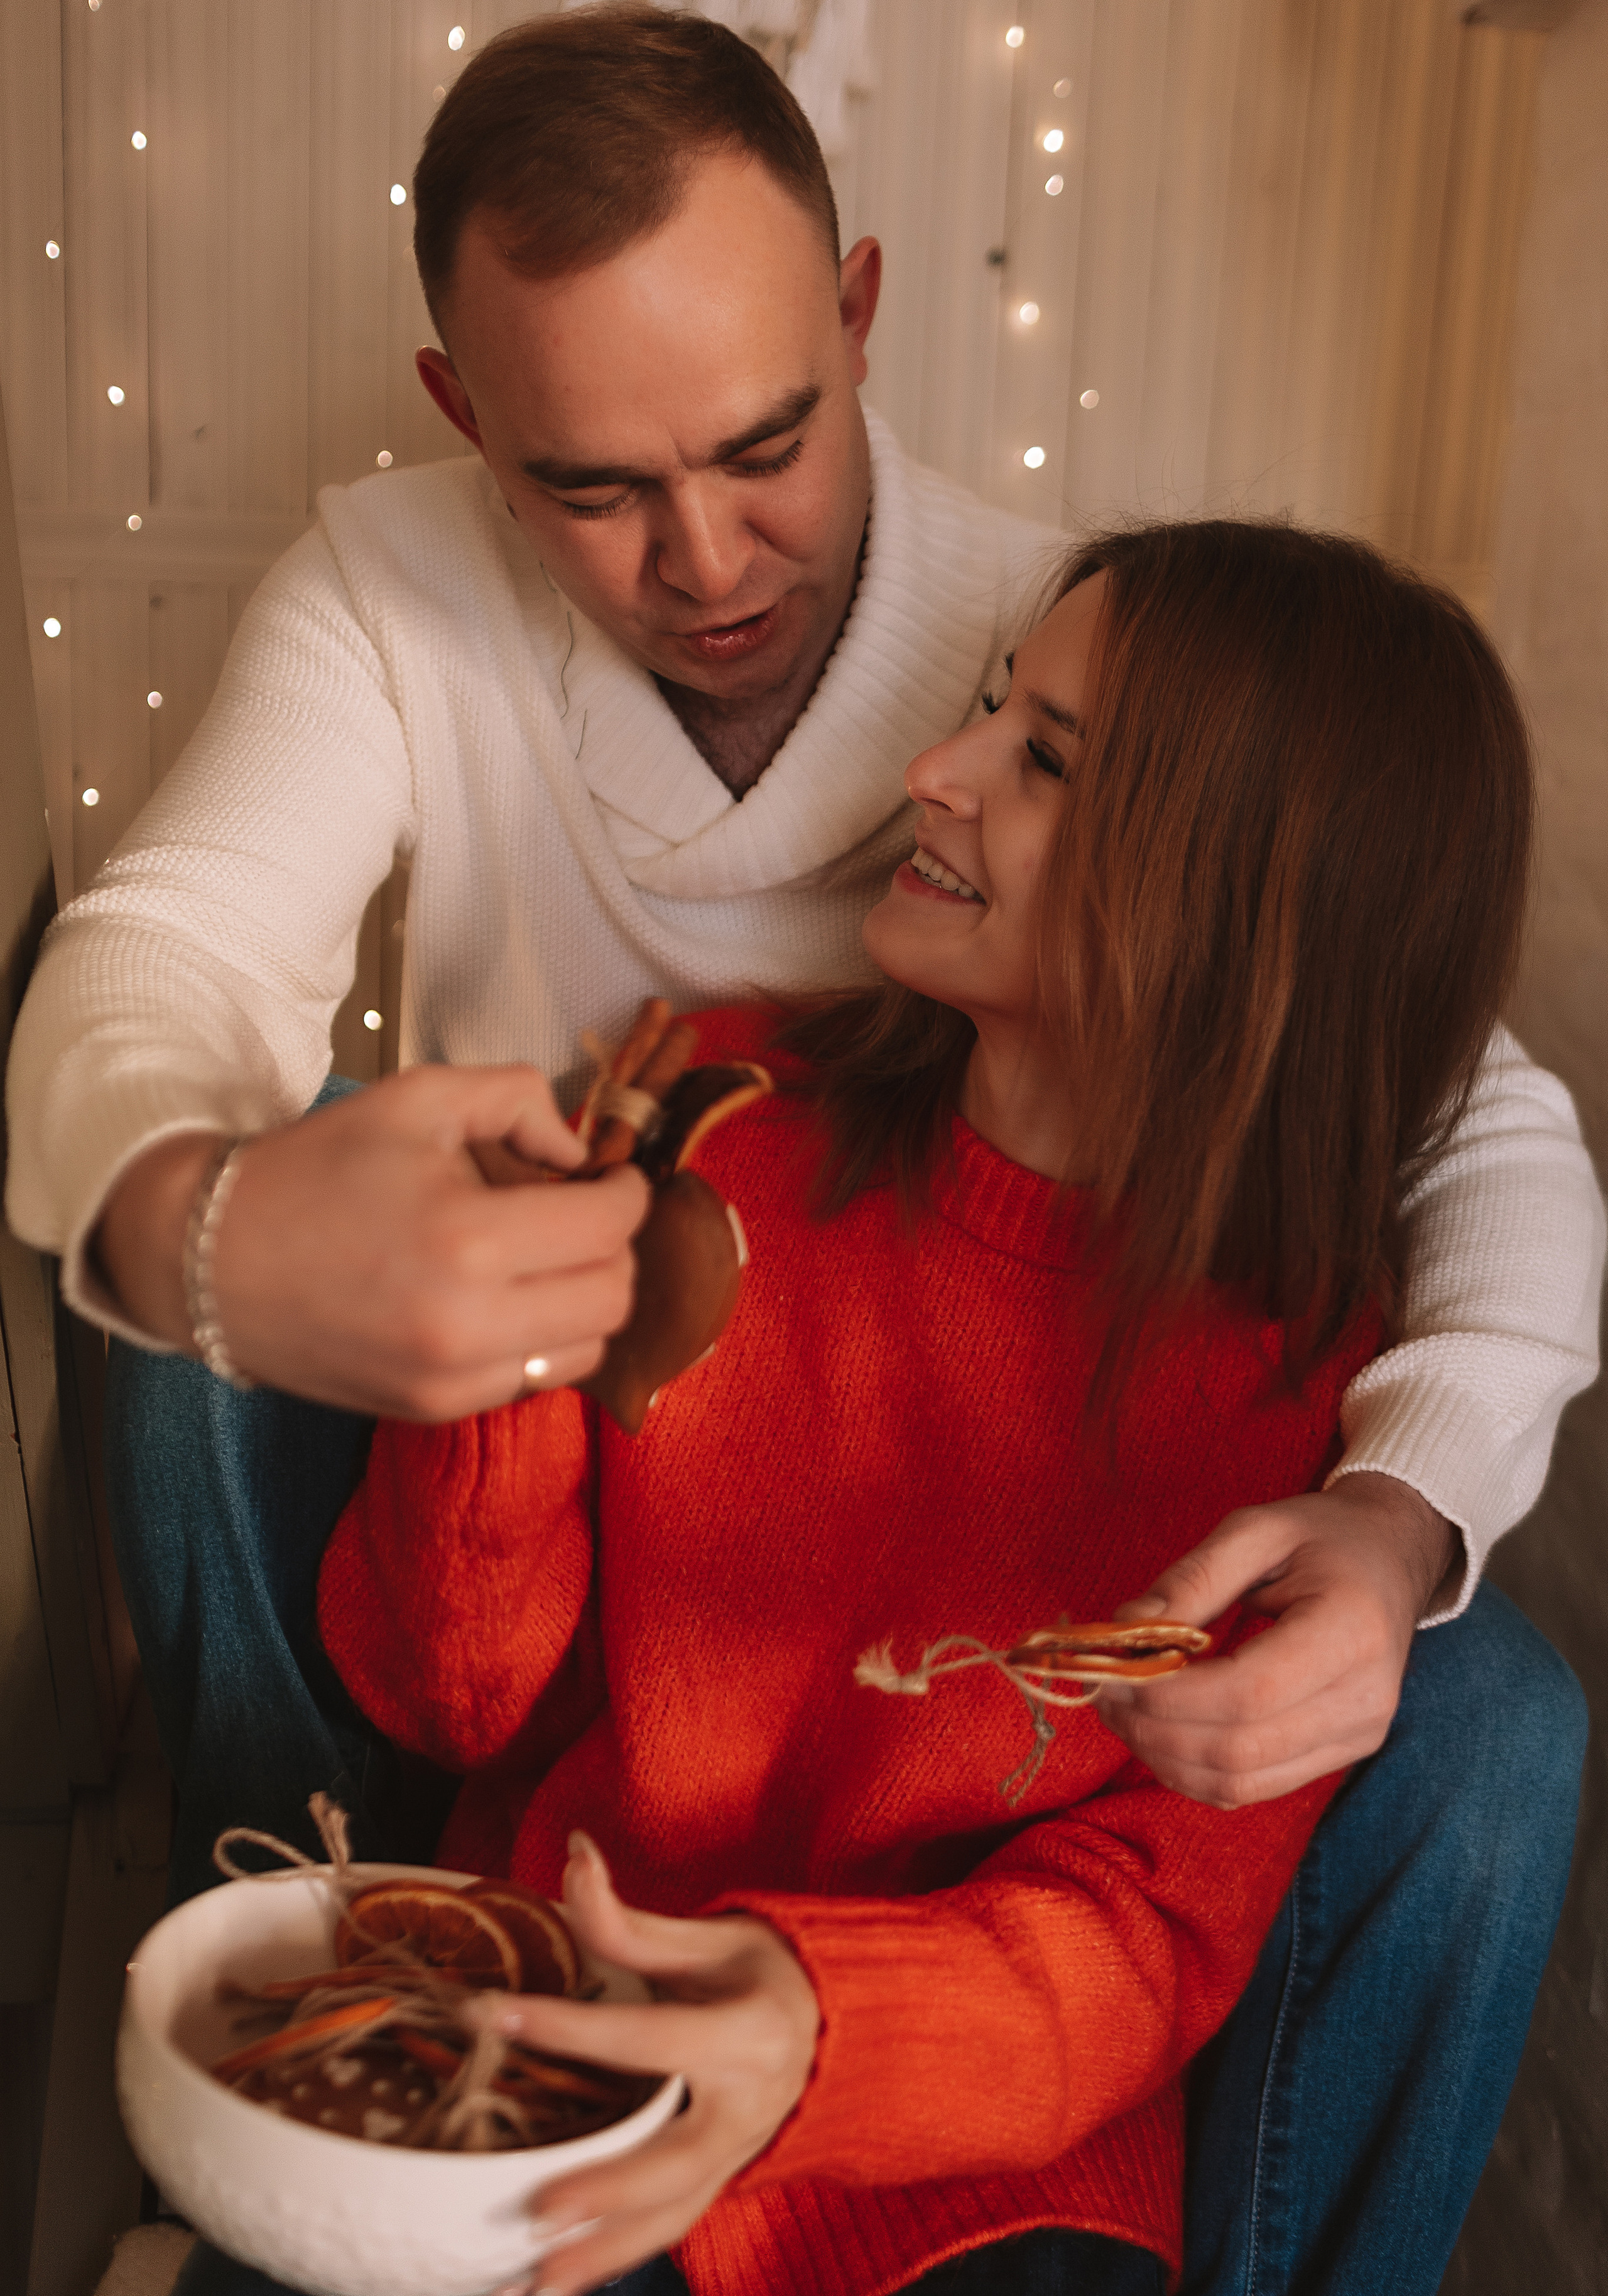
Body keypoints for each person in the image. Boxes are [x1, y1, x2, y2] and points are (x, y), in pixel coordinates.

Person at [3, 9, 1598, 2294]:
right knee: (202, 1238)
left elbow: (1458, 1098)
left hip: (962, 1999)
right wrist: (237, 1232)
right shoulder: (404, 609)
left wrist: (1390, 1504)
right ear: (468, 421)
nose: (708, 556)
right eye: (592, 488)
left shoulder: (1113, 647)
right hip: (576, 1546)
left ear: (860, 315)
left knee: (1496, 1710)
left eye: (768, 440)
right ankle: (308, 1973)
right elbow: (161, 961)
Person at [178, 519, 1553, 2296]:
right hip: (563, 2031)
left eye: (1042, 760)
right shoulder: (711, 1117)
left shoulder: (1317, 1392)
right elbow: (451, 1695)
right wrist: (498, 1360)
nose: (936, 771)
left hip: (980, 2159)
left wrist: (826, 2033)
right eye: (994, 704)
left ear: (1234, 909)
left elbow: (1148, 1933)